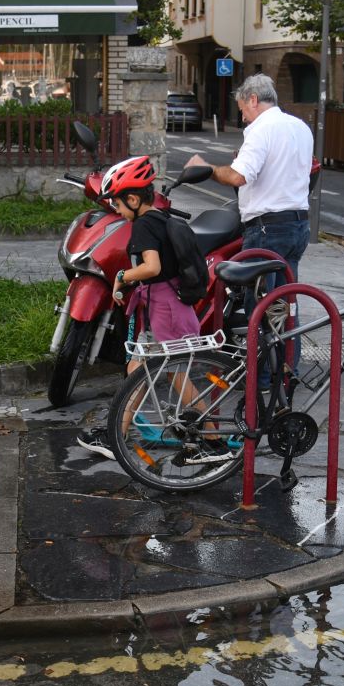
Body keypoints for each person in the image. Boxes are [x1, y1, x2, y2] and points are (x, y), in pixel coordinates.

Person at [75, 156, 227, 464]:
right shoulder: (158, 218)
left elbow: (152, 266)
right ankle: (114, 433)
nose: (115, 209)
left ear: (132, 199)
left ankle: (214, 442)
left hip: (166, 310)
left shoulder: (143, 226)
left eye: (117, 203)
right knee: (138, 369)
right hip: (167, 305)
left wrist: (122, 277)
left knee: (174, 376)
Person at [185, 72, 313, 275]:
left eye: (242, 110)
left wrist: (208, 169)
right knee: (280, 299)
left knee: (258, 298)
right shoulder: (301, 127)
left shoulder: (261, 129)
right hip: (298, 225)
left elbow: (238, 176)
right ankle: (285, 308)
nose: (243, 117)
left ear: (253, 99)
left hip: (267, 229)